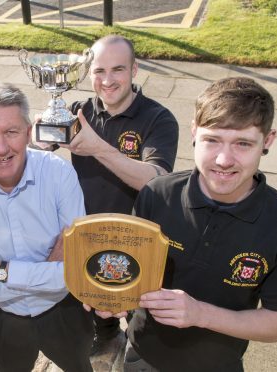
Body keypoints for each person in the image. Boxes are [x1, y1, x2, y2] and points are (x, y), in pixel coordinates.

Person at [96, 77, 277, 371]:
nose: (223, 159)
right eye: (212, 140)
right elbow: (130, 271)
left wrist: (200, 314)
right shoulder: (157, 195)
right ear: (194, 132)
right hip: (142, 354)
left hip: (218, 363)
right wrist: (112, 295)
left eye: (243, 143)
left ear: (267, 141)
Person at [0, 82, 94, 371]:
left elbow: (77, 271)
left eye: (11, 132)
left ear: (27, 131)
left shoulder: (59, 173)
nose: (1, 148)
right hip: (0, 317)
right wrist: (50, 273)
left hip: (63, 311)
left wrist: (0, 270)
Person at [62, 35, 179, 352]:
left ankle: (137, 346)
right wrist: (38, 132)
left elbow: (157, 179)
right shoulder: (79, 112)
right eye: (99, 71)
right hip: (90, 232)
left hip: (137, 237)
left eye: (118, 69)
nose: (108, 80)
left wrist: (99, 148)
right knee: (97, 303)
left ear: (135, 69)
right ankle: (106, 336)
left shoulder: (159, 119)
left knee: (140, 312)